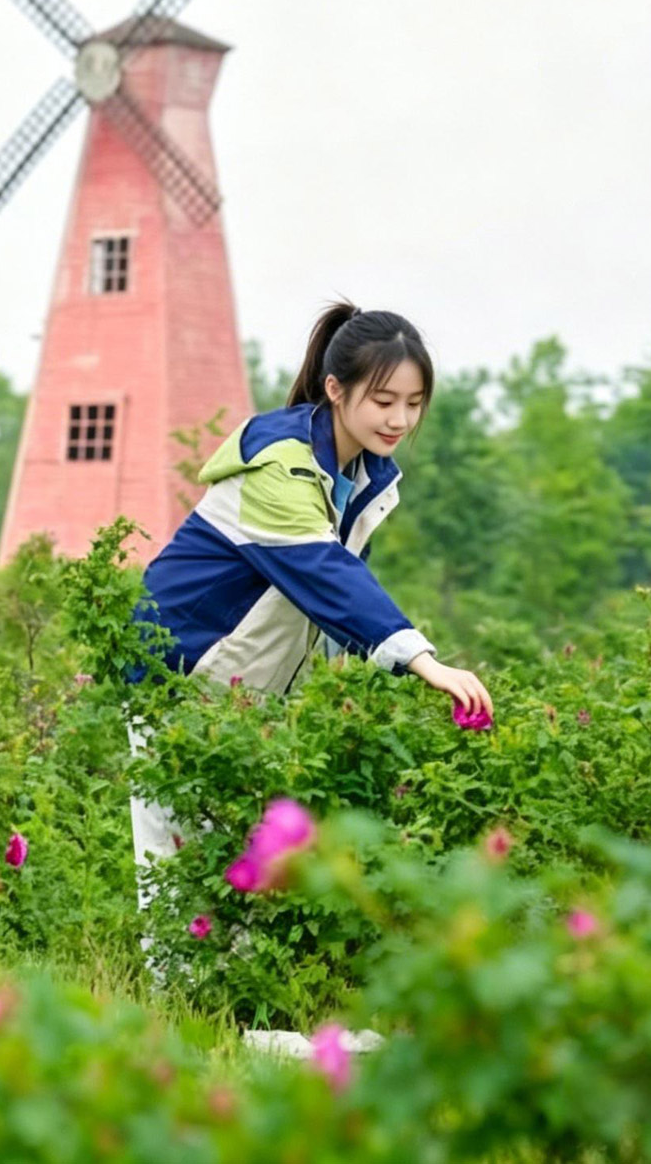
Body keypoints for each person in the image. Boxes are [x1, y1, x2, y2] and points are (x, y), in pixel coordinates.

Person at [123, 300, 493, 986]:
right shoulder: (280, 466)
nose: (399, 420)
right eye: (383, 400)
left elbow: (329, 606)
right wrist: (424, 661)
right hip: (177, 678)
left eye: (413, 403)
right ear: (335, 389)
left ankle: (228, 1021)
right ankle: (176, 1021)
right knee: (179, 864)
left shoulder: (360, 478)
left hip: (245, 692)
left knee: (246, 864)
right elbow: (326, 576)